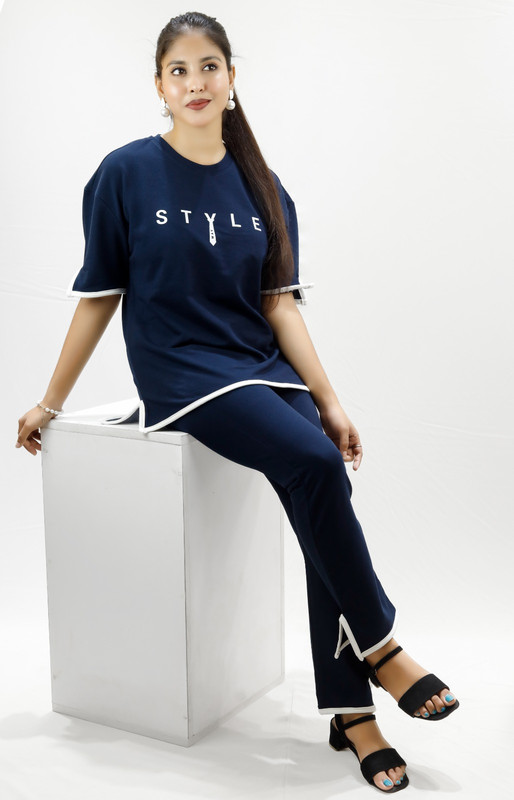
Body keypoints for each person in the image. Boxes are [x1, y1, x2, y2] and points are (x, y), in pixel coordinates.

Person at [15, 11, 459, 793]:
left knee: (321, 489)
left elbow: (279, 305)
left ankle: (351, 714)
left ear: (230, 79)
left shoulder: (265, 187)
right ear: (159, 86)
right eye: (178, 70)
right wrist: (51, 402)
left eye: (208, 66)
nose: (195, 82)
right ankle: (382, 648)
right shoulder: (125, 173)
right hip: (183, 374)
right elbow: (100, 295)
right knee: (315, 467)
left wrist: (328, 398)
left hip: (263, 368)